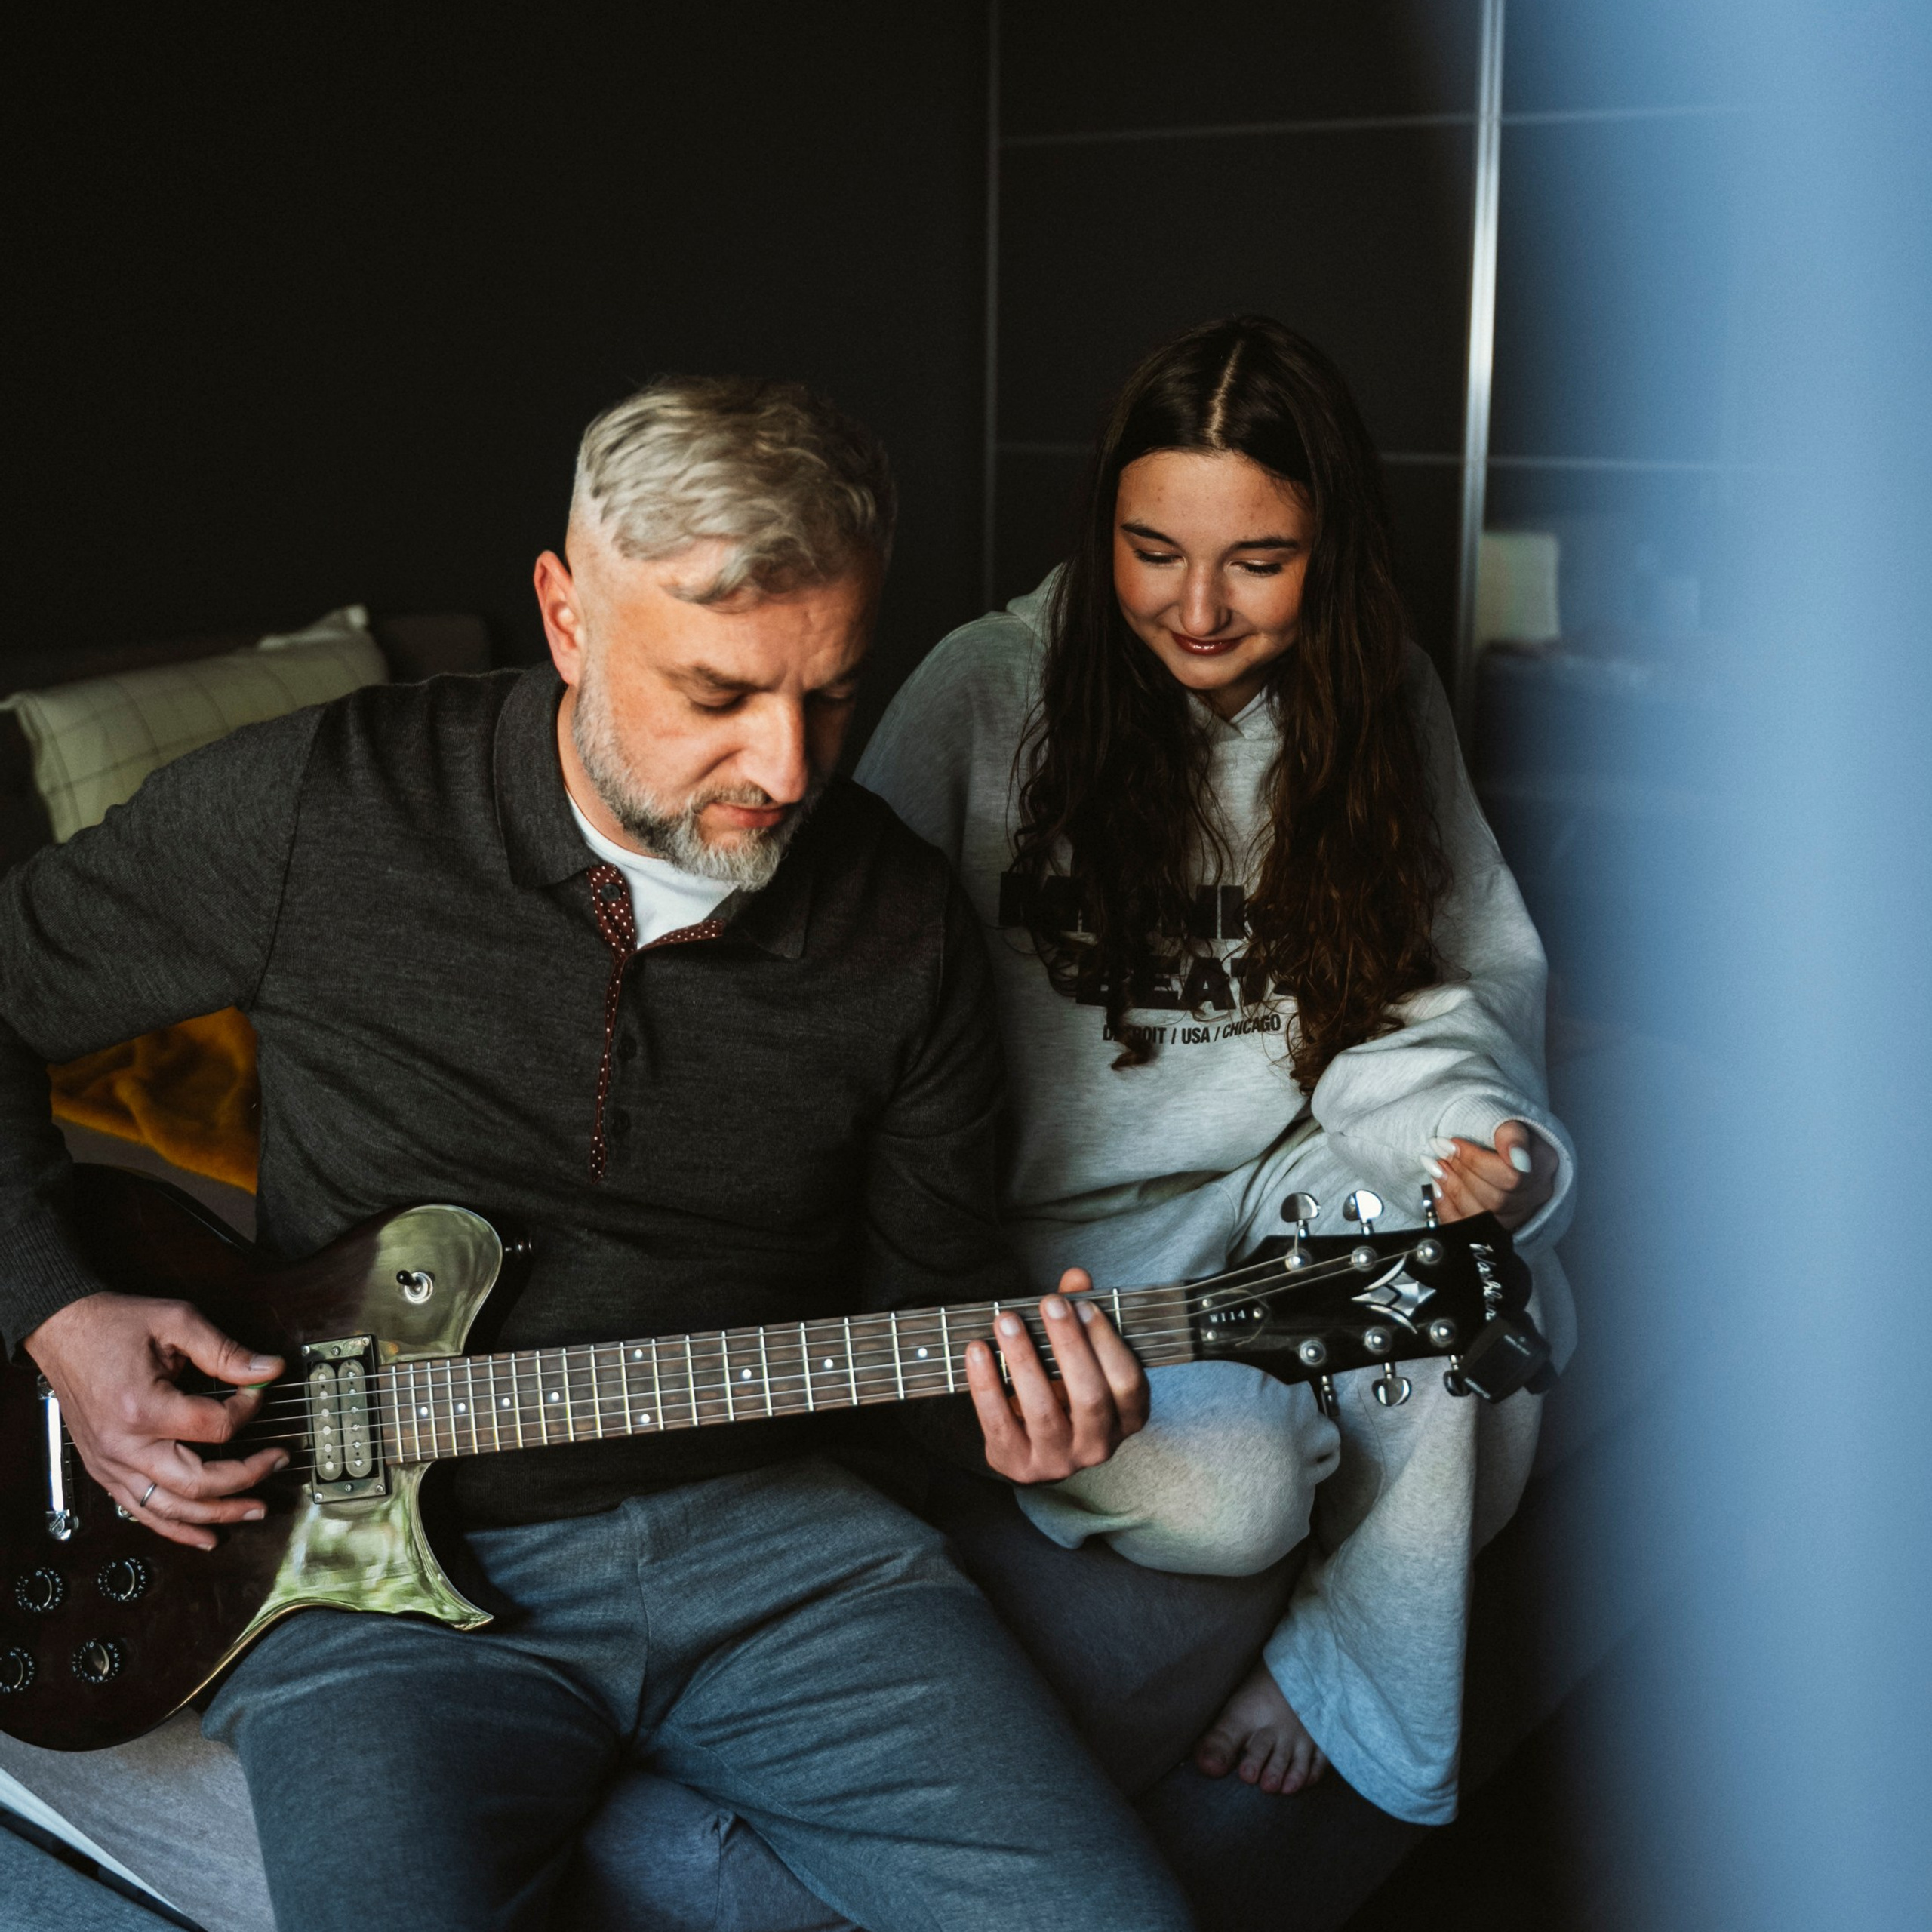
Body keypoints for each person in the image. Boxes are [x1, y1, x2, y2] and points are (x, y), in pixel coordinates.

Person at [0, 378, 1192, 1932]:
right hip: (358, 1569)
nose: (788, 765)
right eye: (717, 692)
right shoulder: (321, 807)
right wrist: (54, 1305)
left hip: (782, 1552)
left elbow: (929, 1310)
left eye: (833, 692)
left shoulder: (900, 924)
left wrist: (1021, 1424)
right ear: (567, 618)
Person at [856, 315, 1579, 1829]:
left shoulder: (1375, 696)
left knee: (1480, 1312)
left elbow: (1437, 992)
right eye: (1151, 552)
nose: (1195, 608)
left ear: (1332, 551)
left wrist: (1480, 1142)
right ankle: (1287, 1510)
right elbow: (841, 998)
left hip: (1272, 1185)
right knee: (1237, 1492)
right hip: (1045, 1249)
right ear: (1101, 531)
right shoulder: (981, 693)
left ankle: (1328, 1662)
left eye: (1257, 561)